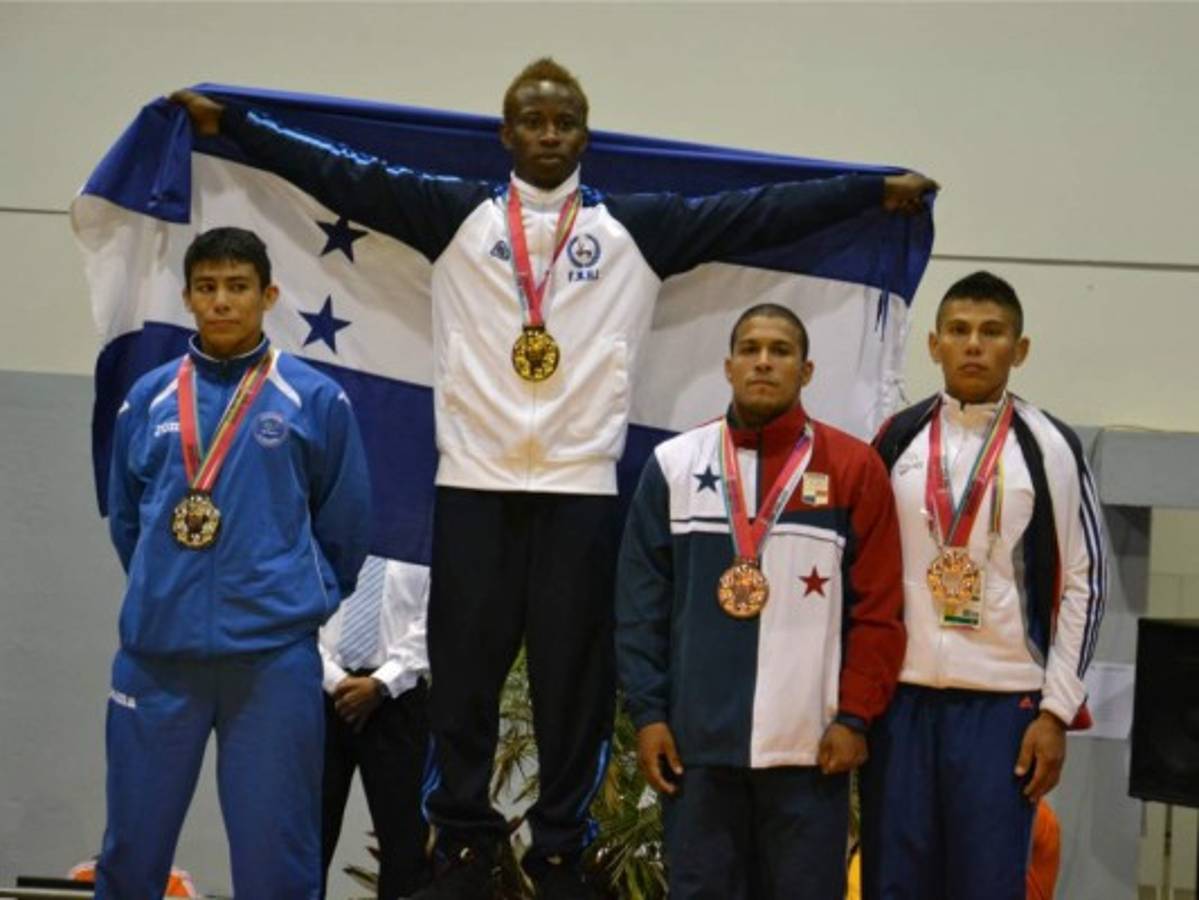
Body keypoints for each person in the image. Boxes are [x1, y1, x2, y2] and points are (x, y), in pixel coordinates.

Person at [171, 58, 936, 900]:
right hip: (474, 485)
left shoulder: (633, 231)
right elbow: (341, 174)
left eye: (563, 122)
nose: (547, 135)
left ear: (583, 136)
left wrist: (865, 193)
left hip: (581, 493)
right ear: (506, 134)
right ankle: (462, 850)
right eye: (532, 122)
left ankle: (562, 854)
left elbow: (754, 212)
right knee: (461, 684)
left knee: (573, 688)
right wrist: (236, 126)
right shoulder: (455, 216)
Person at [97, 227, 371, 900]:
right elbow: (128, 520)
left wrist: (289, 600)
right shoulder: (147, 397)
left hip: (271, 664)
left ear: (268, 295)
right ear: (188, 297)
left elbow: (345, 528)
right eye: (207, 287)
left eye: (238, 286)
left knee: (278, 860)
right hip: (157, 660)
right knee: (131, 854)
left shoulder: (314, 399)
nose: (222, 301)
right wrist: (167, 592)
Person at [615, 304, 906, 899]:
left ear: (807, 370)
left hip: (811, 751)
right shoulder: (675, 466)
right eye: (750, 349)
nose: (764, 362)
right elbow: (640, 607)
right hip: (697, 751)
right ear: (728, 367)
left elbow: (878, 611)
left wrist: (855, 717)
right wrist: (649, 716)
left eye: (781, 351)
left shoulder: (854, 468)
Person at [862, 271, 1107, 900]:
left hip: (1004, 708)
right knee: (893, 881)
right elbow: (860, 569)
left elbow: (1084, 583)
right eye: (959, 330)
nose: (974, 345)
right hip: (900, 702)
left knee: (987, 885)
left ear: (1019, 350)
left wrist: (1055, 711)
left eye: (992, 332)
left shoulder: (1050, 446)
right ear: (934, 344)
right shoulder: (895, 438)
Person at [319, 555, 432, 899]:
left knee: (404, 844)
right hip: (321, 690)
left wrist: (382, 683)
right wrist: (334, 680)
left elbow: (439, 614)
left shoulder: (426, 528)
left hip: (399, 699)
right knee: (308, 837)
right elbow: (301, 600)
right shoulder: (327, 525)